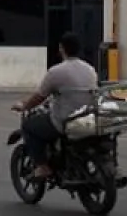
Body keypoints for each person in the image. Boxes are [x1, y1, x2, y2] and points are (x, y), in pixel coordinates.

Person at [11, 32, 98, 181]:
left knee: (28, 126)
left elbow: (39, 96)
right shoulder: (90, 69)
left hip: (64, 121)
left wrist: (24, 106)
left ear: (61, 49)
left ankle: (42, 166)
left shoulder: (56, 71)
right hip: (87, 118)